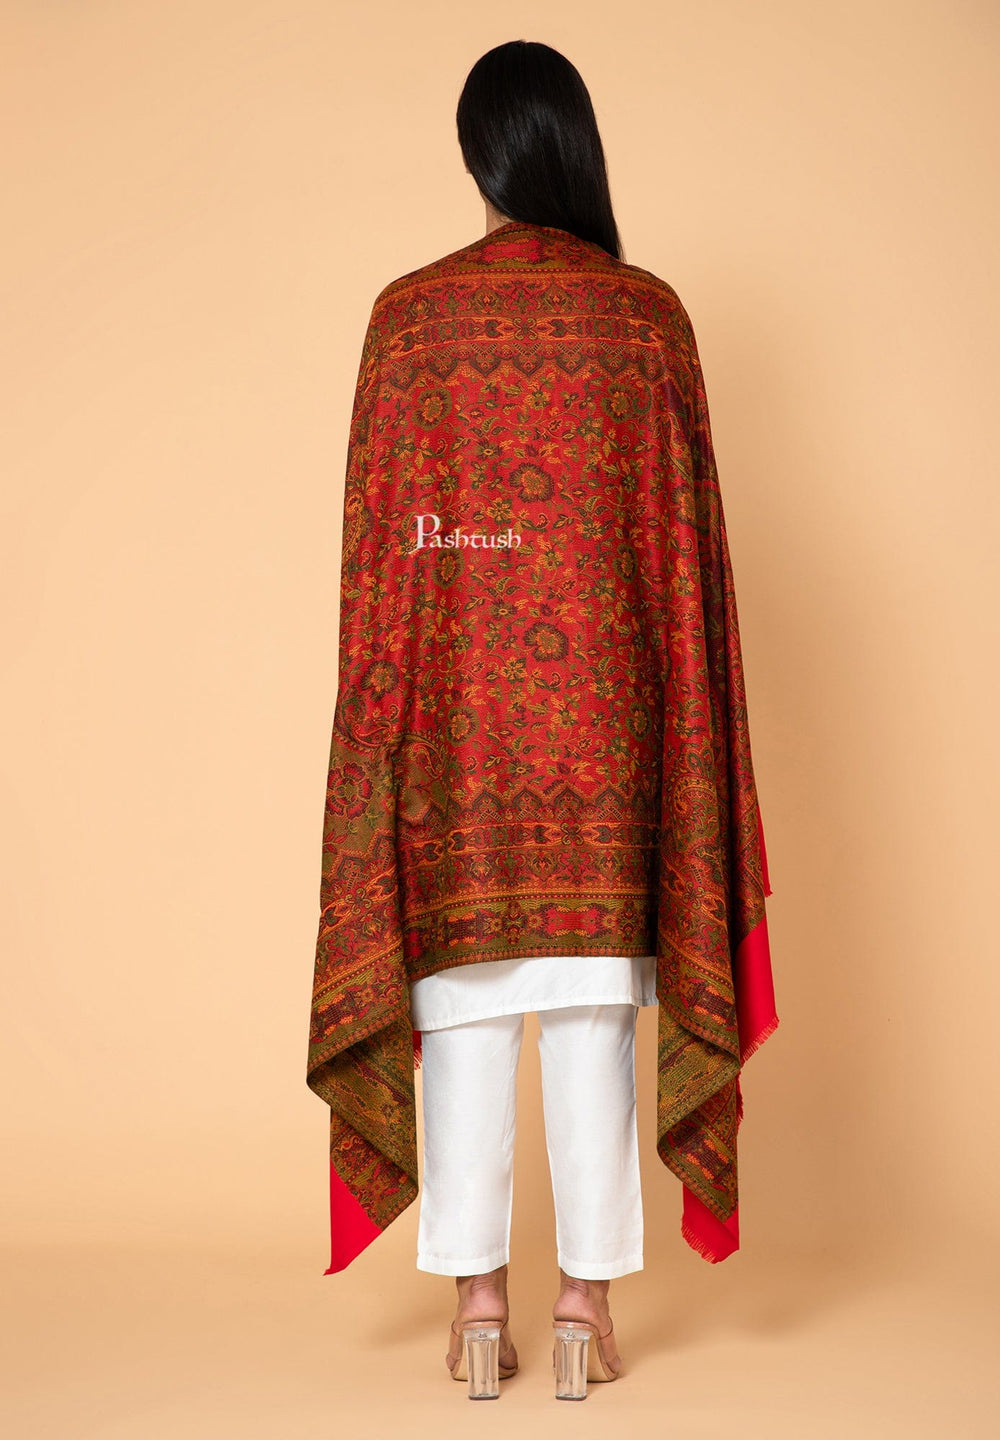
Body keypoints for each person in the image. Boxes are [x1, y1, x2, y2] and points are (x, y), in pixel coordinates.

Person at [306, 37, 778, 1403]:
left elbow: (382, 567)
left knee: (461, 1018)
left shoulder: (408, 322)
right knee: (589, 1022)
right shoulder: (648, 320)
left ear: (479, 154)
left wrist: (376, 745)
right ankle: (582, 1309)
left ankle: (475, 1316)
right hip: (606, 744)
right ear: (574, 147)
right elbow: (683, 567)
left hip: (453, 746)